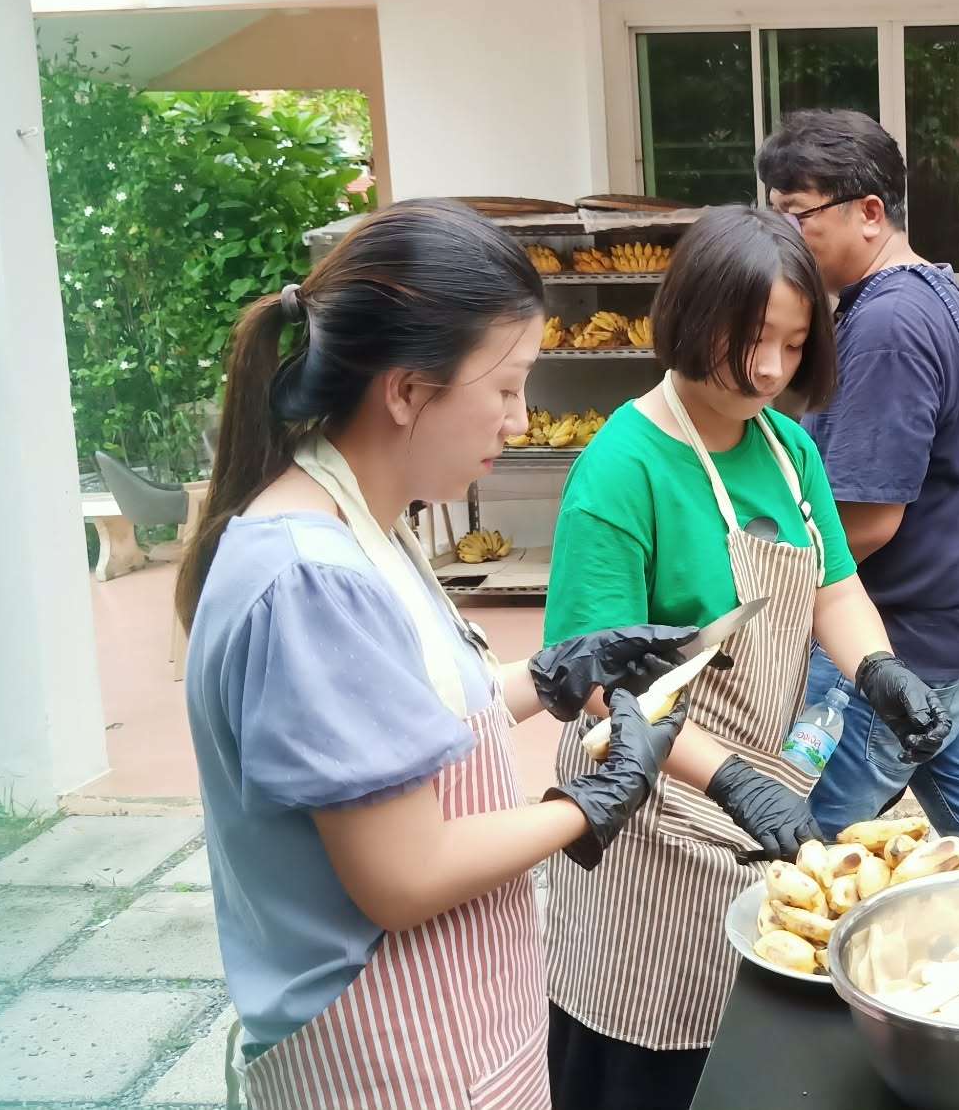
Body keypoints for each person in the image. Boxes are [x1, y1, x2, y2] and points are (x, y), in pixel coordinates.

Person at [178, 199, 700, 1108]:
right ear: (408, 390)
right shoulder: (312, 578)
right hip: (389, 1064)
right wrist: (600, 799)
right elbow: (404, 874)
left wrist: (553, 674)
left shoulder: (367, 532)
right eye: (505, 389)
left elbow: (399, 722)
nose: (521, 420)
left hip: (457, 1039)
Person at [542, 204, 955, 1109]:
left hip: (750, 806)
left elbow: (834, 587)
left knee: (740, 1063)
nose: (770, 368)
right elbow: (597, 690)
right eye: (750, 338)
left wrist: (878, 670)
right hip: (638, 827)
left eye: (795, 344)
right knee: (643, 1068)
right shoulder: (622, 468)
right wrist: (728, 777)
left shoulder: (788, 446)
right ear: (690, 317)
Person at [758, 108, 959, 844]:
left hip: (897, 643)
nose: (784, 236)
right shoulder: (935, 291)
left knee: (797, 839)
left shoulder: (887, 325)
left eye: (797, 215)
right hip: (950, 630)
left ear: (870, 213)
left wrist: (761, 577)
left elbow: (873, 519)